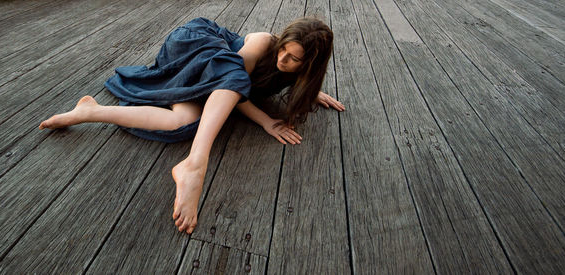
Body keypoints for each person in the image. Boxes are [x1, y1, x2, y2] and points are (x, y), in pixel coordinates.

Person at [39, 17, 344, 234]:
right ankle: (196, 165)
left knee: (184, 124)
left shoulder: (297, 72)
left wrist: (309, 88)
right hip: (193, 44)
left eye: (294, 60)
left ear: (308, 66)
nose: (283, 59)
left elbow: (262, 82)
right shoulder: (263, 43)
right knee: (235, 75)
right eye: (284, 51)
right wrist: (266, 121)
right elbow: (229, 84)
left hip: (204, 76)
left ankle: (90, 111)